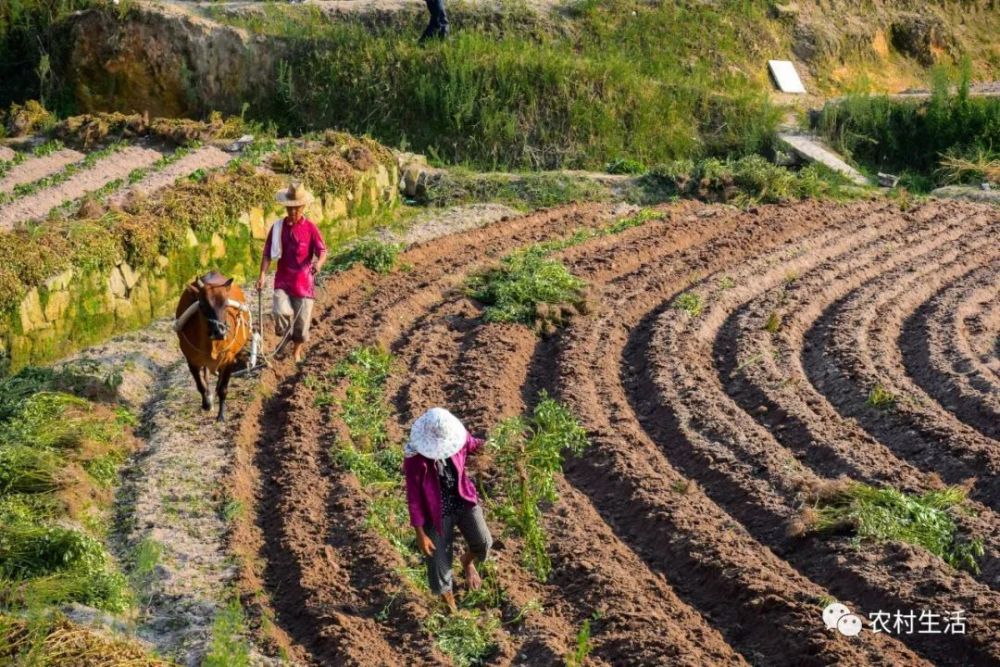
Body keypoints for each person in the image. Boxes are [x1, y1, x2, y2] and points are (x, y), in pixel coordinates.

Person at [403, 408, 493, 613]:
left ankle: (467, 562)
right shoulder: (415, 459)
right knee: (438, 565)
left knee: (483, 542)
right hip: (436, 512)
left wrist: (498, 446)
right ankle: (452, 612)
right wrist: (420, 533)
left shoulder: (458, 439)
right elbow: (414, 497)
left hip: (463, 500)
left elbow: (475, 445)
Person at [256, 183, 327, 363]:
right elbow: (266, 254)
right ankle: (285, 334)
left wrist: (318, 263)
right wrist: (262, 275)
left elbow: (322, 250)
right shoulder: (278, 228)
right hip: (283, 281)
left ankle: (296, 351)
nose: (293, 212)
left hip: (304, 283)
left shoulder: (310, 228)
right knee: (280, 310)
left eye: (297, 208)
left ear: (303, 207)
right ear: (286, 207)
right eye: (290, 208)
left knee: (302, 327)